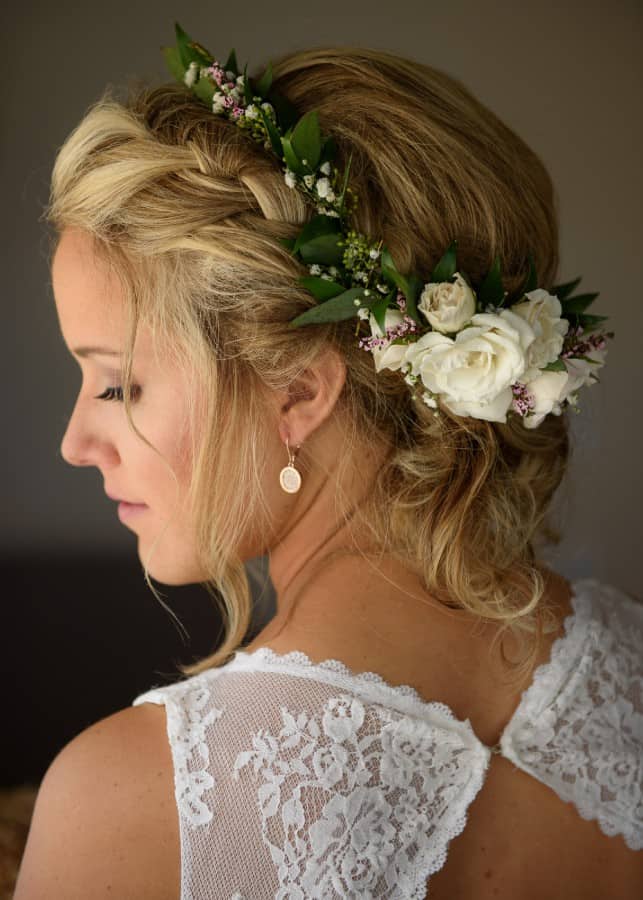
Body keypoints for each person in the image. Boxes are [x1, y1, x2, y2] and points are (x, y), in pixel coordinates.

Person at [14, 35, 642, 900]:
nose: (76, 442)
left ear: (301, 392)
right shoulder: (630, 672)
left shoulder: (134, 801)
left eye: (119, 385)